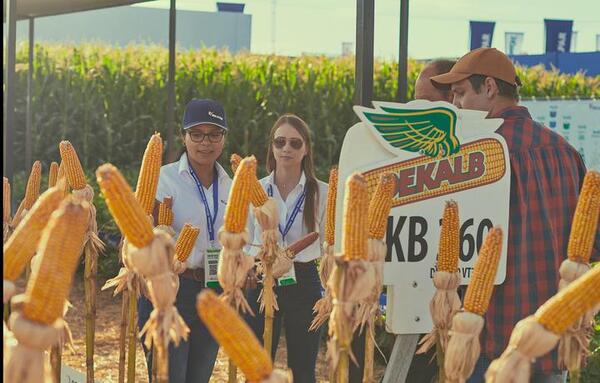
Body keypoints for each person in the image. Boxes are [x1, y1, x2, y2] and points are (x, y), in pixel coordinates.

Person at [430, 47, 599, 382]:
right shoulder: (565, 152)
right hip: (549, 337)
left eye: (461, 93)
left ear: (489, 88)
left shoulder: (472, 158)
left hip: (487, 340)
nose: (456, 105)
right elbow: (588, 247)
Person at [138, 98, 232, 383]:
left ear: (224, 138)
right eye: (197, 134)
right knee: (169, 377)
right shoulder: (162, 179)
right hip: (171, 292)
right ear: (183, 136)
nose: (206, 143)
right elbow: (141, 234)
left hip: (213, 291)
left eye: (214, 134)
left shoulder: (231, 184)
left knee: (199, 378)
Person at [244, 114, 328, 383]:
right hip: (262, 279)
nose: (286, 149)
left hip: (304, 280)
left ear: (306, 149)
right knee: (257, 368)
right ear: (272, 147)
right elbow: (245, 239)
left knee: (302, 371)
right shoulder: (255, 189)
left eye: (295, 143)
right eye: (280, 142)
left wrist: (331, 289)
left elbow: (329, 244)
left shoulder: (322, 193)